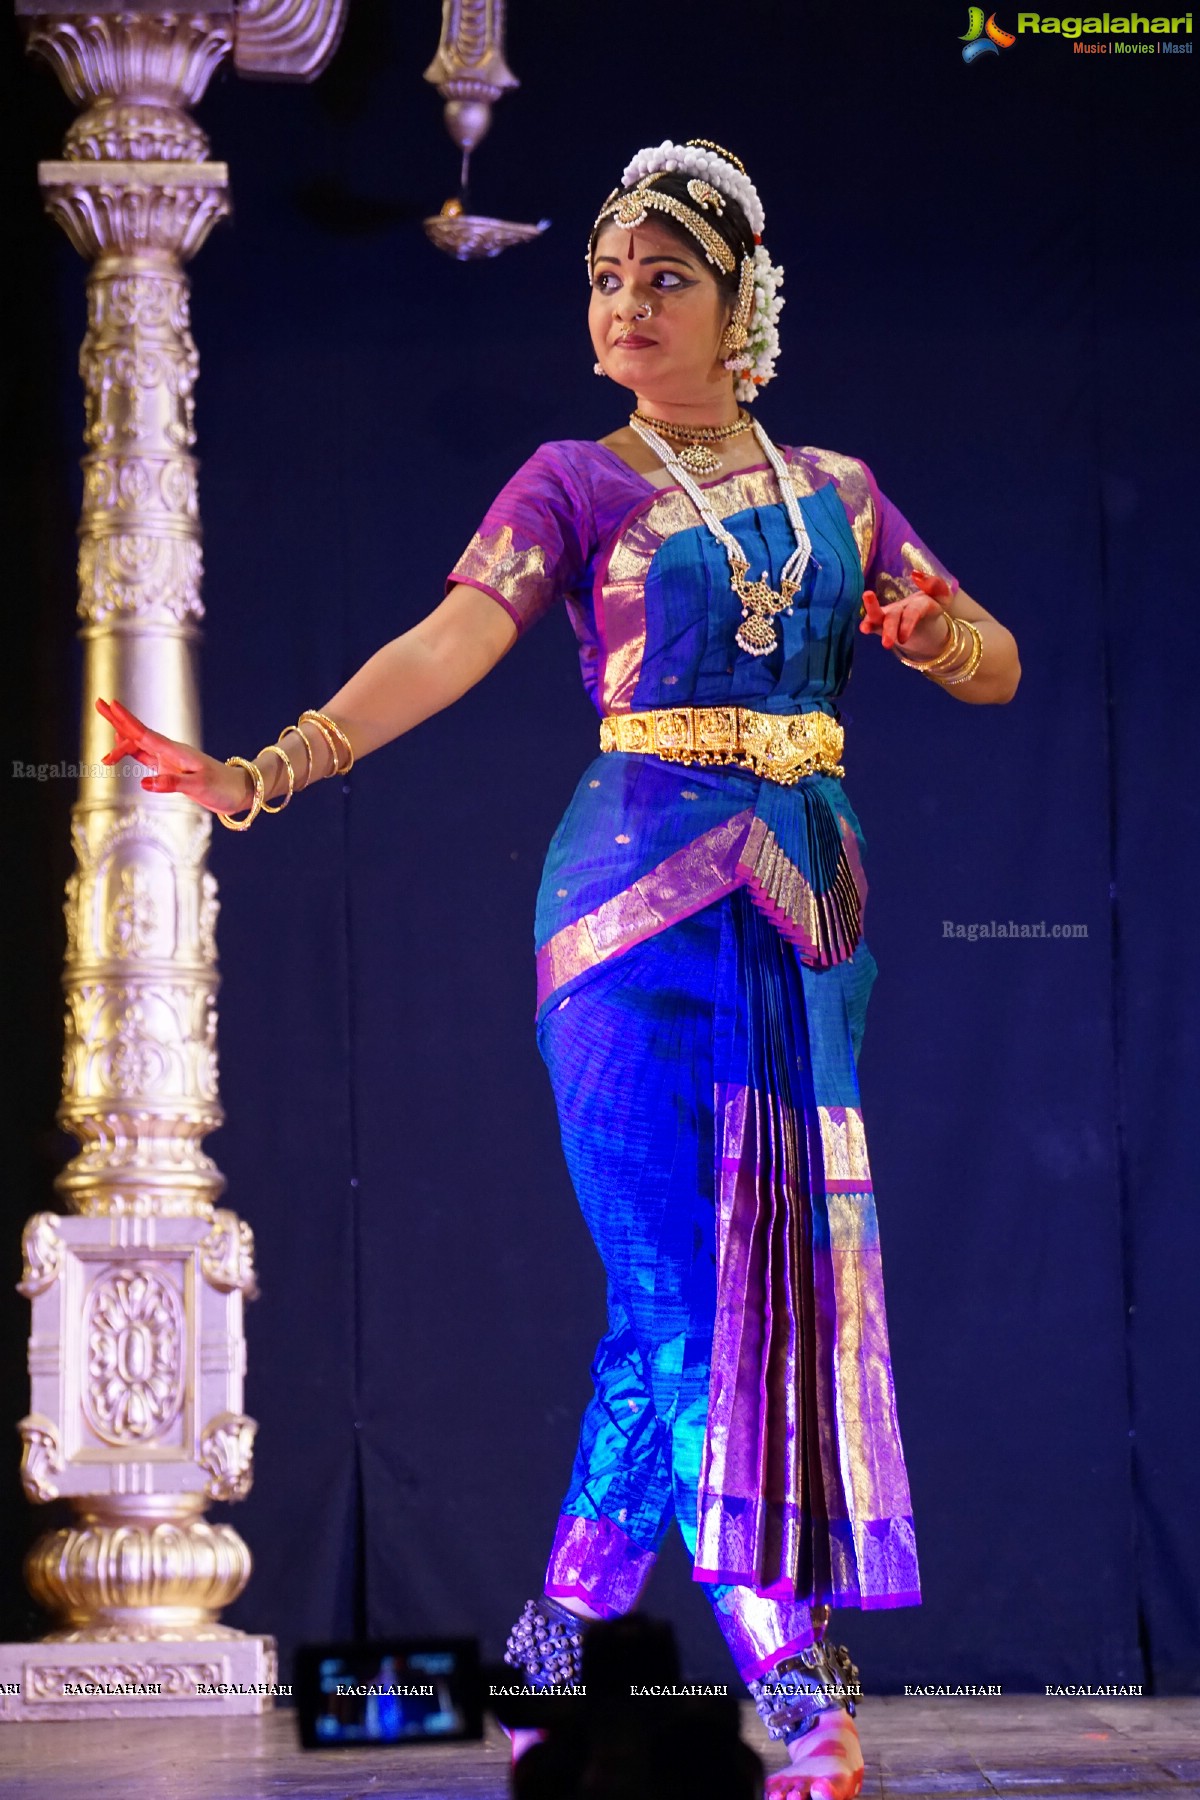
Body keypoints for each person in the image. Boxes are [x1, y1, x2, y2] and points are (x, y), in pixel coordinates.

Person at [97, 138, 1021, 1800]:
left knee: (712, 1312)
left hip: (804, 927)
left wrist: (931, 636)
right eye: (606, 279)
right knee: (687, 1304)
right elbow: (452, 640)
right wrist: (269, 768)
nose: (625, 306)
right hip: (622, 923)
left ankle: (549, 1643)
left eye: (665, 278)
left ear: (745, 304)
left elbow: (997, 661)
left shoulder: (841, 494)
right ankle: (793, 1675)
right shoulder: (571, 482)